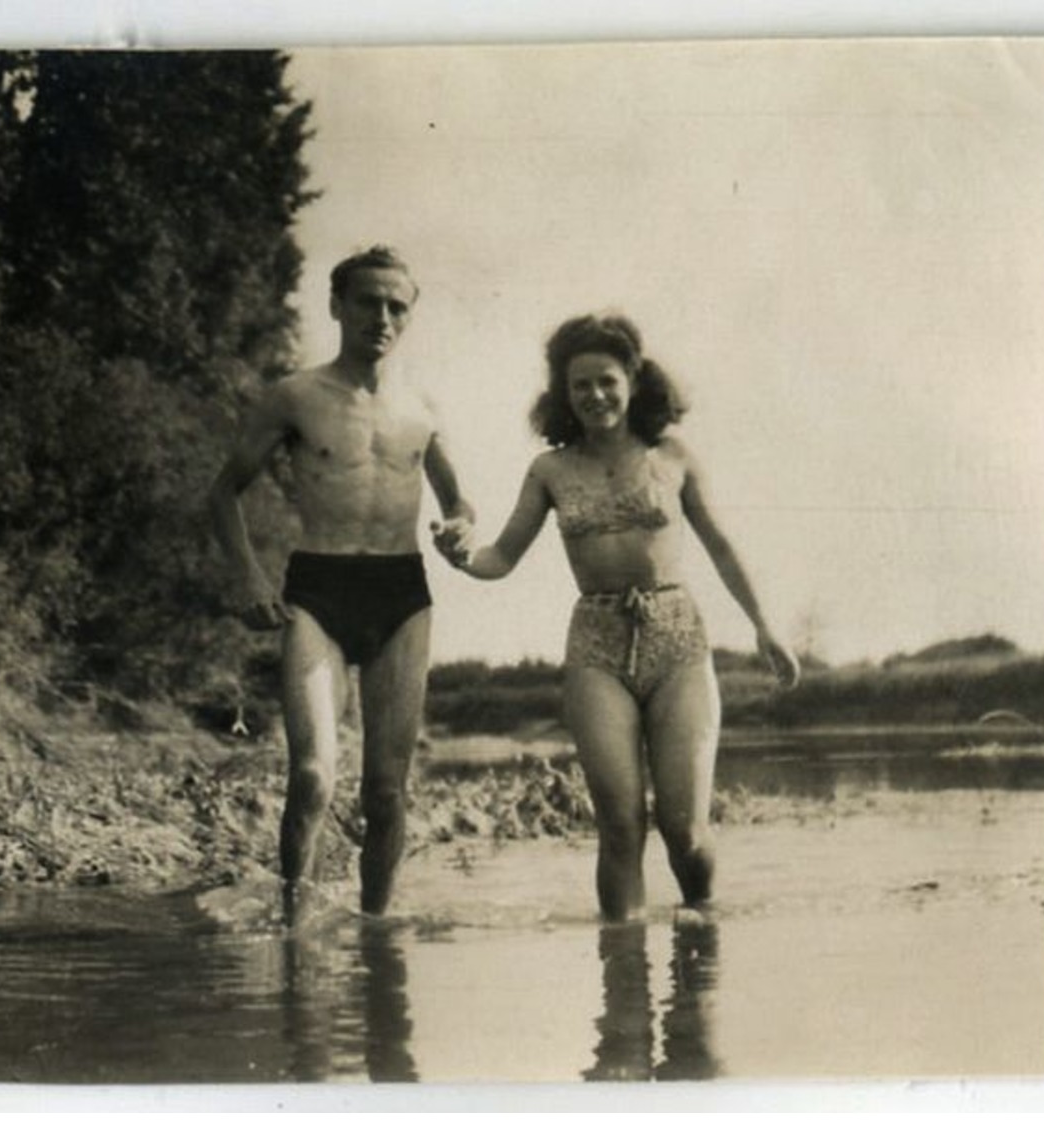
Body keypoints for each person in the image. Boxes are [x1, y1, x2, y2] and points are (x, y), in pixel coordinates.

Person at [434, 312, 798, 922]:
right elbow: (500, 557)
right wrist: (460, 555)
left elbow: (723, 547)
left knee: (683, 829)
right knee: (620, 824)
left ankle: (700, 937)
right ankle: (623, 981)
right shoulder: (549, 470)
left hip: (678, 636)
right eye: (580, 386)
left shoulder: (672, 455)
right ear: (562, 394)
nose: (595, 396)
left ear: (632, 379)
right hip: (596, 642)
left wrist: (765, 626)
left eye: (606, 380)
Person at [208, 245, 474, 920]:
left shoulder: (423, 405)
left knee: (386, 791)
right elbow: (223, 493)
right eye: (367, 302)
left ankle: (376, 936)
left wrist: (459, 531)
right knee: (312, 776)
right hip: (317, 591)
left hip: (400, 594)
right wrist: (248, 578)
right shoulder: (294, 396)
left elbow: (459, 503)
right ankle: (293, 925)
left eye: (396, 306)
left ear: (408, 316)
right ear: (336, 306)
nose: (380, 317)